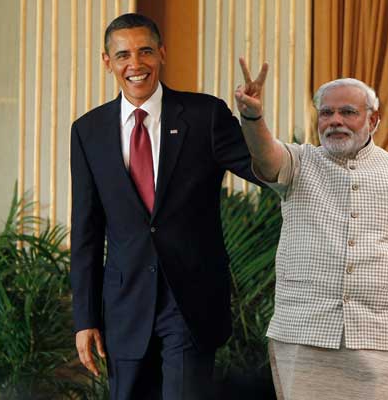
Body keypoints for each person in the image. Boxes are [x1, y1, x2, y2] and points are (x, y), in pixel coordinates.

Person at [234, 59, 388, 400]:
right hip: (304, 338)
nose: (335, 120)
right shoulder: (297, 163)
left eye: (348, 112)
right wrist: (252, 117)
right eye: (327, 113)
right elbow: (265, 156)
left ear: (373, 120)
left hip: (385, 344)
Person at [70, 13, 257, 399]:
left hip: (189, 305)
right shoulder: (88, 131)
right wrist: (85, 318)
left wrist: (253, 121)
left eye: (145, 51)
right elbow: (86, 231)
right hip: (124, 309)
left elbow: (264, 170)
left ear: (162, 53)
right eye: (123, 55)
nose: (135, 64)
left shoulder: (205, 116)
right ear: (107, 62)